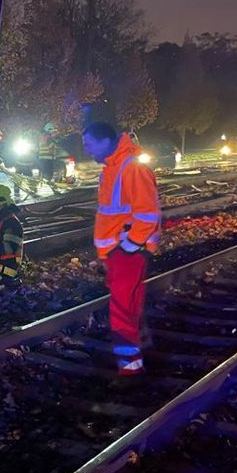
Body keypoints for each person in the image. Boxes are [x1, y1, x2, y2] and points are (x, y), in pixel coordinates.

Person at [82, 121, 161, 376]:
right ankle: (137, 354)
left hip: (127, 252)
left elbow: (148, 215)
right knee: (128, 305)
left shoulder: (130, 168)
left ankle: (129, 368)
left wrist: (127, 248)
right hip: (120, 251)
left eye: (89, 144)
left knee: (122, 309)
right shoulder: (113, 168)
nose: (86, 150)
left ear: (105, 142)